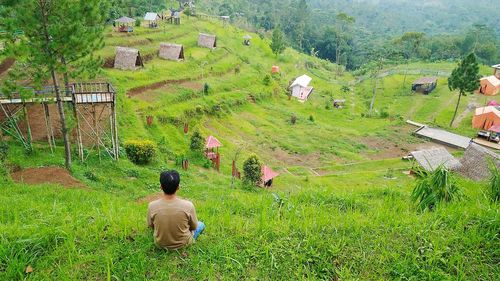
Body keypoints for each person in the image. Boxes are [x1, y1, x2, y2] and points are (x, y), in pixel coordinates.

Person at [147, 170, 205, 250]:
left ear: (161, 186)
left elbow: (151, 225)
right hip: (184, 244)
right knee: (201, 224)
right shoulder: (188, 205)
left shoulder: (151, 206)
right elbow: (194, 226)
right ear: (178, 187)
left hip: (160, 244)